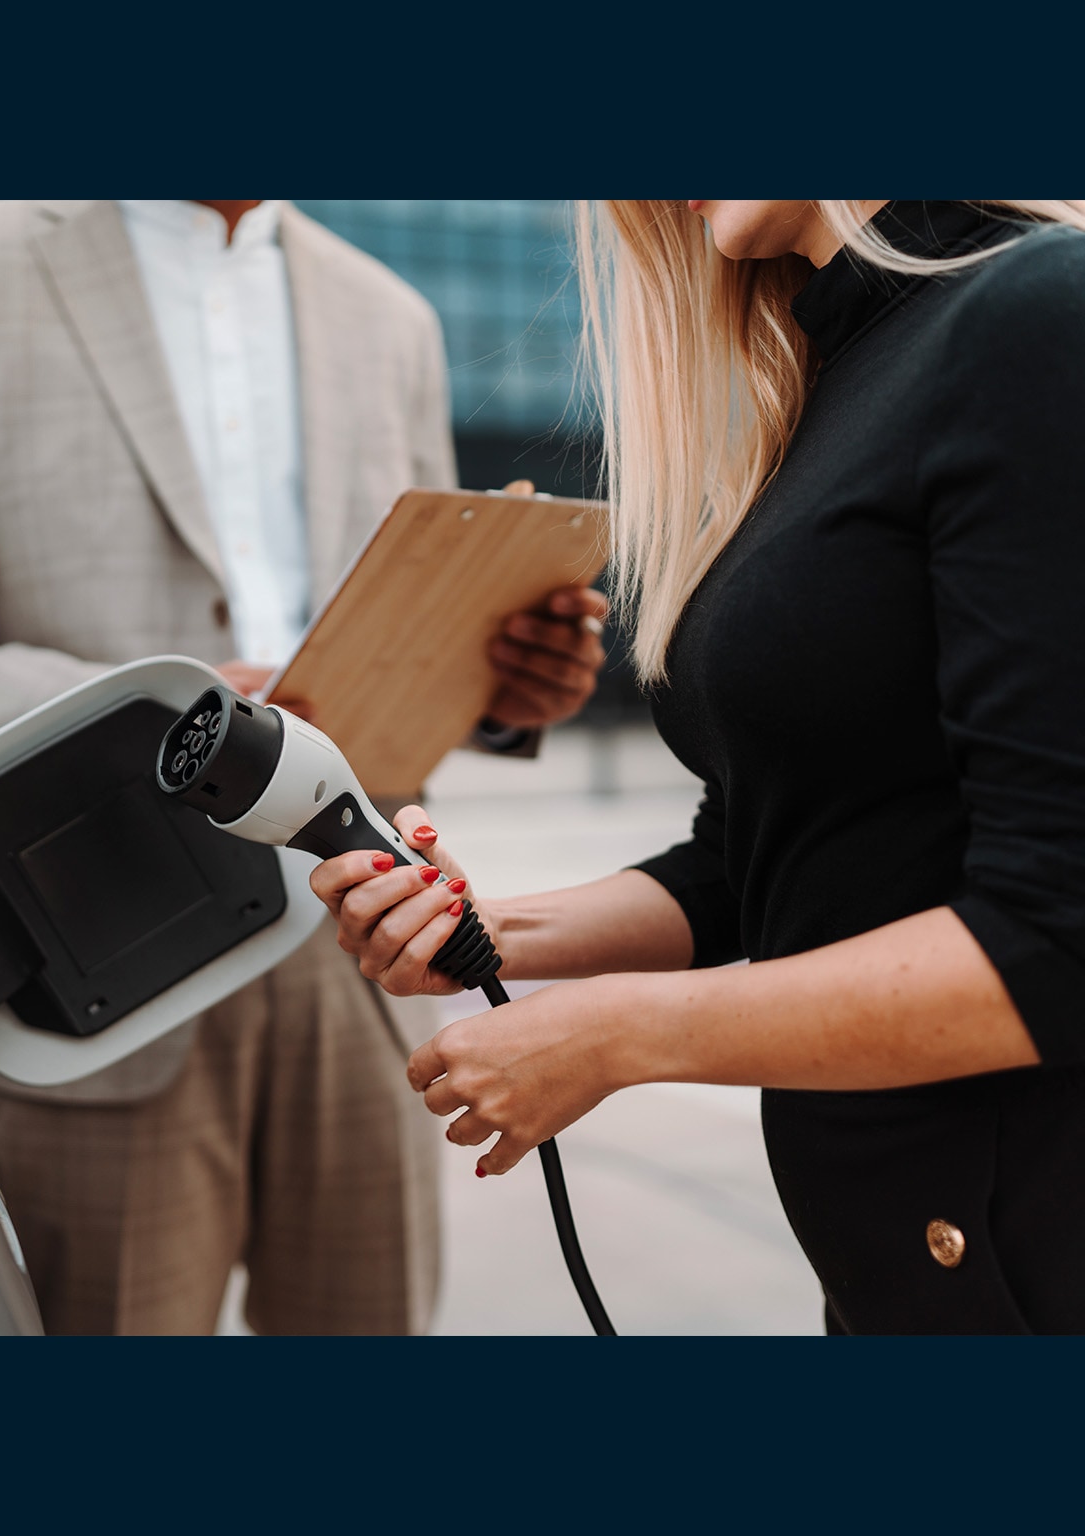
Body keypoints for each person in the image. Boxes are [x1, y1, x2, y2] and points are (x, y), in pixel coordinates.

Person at [0, 199, 607, 1335]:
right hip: (107, 951)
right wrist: (141, 716)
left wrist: (501, 693)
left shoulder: (389, 315)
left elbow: (409, 640)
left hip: (363, 954)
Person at [309, 200, 1085, 1334]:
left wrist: (620, 1034)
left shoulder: (1032, 316)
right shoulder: (832, 377)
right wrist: (487, 933)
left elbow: (1057, 936)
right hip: (904, 1266)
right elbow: (763, 853)